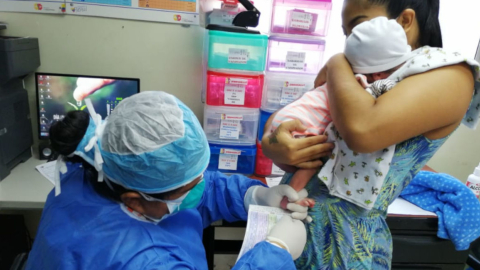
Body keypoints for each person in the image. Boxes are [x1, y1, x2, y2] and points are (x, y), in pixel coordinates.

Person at [261, 0, 480, 269]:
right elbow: (307, 107)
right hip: (290, 224)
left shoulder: (450, 73)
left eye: (358, 26)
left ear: (405, 21)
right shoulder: (362, 73)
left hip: (346, 247)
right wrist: (272, 142)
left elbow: (362, 131)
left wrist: (334, 62)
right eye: (346, 34)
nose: (350, 42)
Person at [26, 91, 309, 270]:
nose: (202, 185)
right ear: (134, 200)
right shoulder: (147, 261)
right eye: (189, 186)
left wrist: (255, 196)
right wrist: (276, 254)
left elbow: (194, 186)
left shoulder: (93, 171)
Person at [273, 17, 409, 210]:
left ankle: (291, 194)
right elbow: (362, 114)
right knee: (312, 163)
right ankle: (289, 199)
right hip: (301, 122)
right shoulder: (357, 83)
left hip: (289, 118)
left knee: (307, 162)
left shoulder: (339, 75)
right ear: (378, 75)